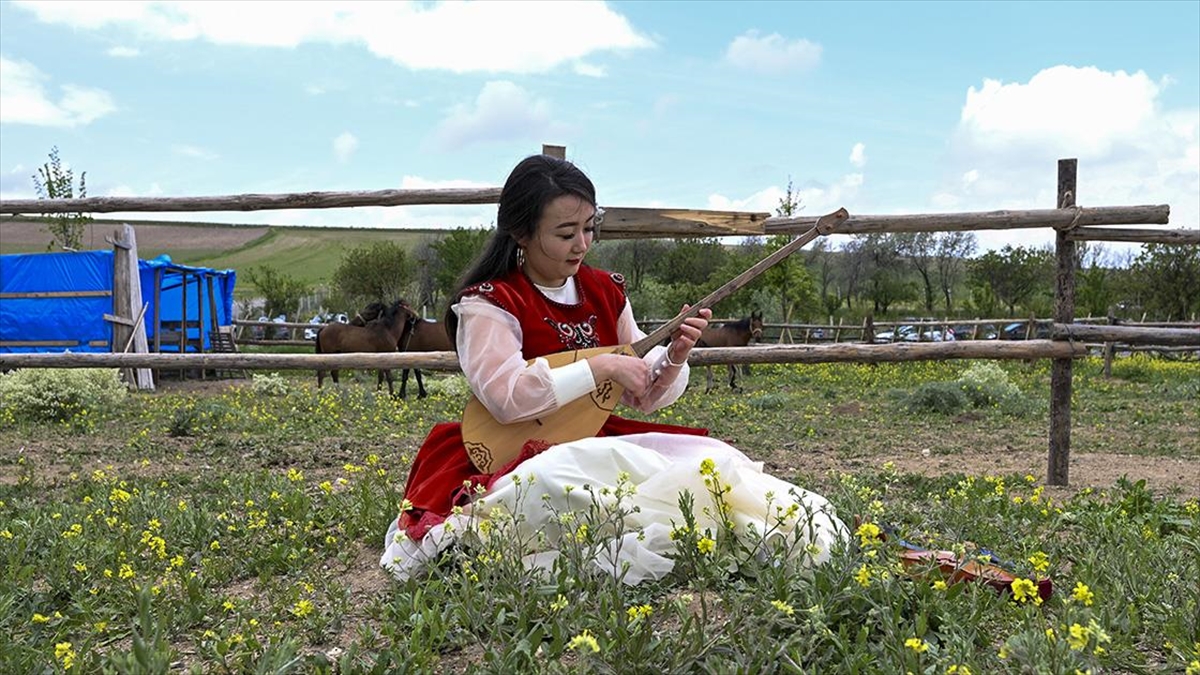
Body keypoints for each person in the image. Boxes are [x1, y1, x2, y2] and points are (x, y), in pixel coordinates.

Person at [381, 155, 846, 583]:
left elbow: (642, 393)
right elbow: (506, 398)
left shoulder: (605, 290)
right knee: (553, 480)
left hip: (595, 438)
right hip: (510, 450)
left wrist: (673, 357)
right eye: (565, 233)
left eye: (589, 228)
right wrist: (601, 366)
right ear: (520, 233)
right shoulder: (490, 303)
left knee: (712, 464)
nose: (582, 244)